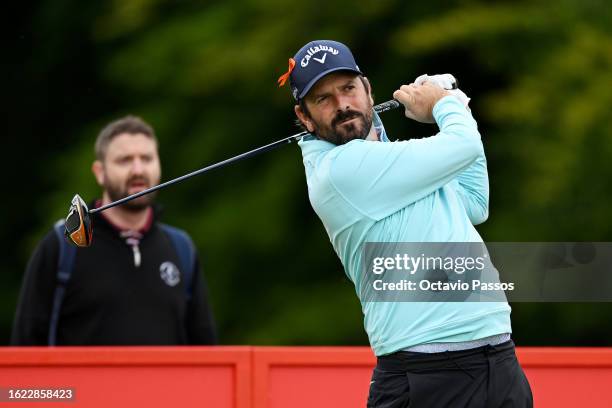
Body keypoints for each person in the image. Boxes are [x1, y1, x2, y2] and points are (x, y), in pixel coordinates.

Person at [279, 40, 532, 407]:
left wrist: (452, 102)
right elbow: (464, 147)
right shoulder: (339, 173)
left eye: (348, 89)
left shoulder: (392, 161)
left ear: (367, 89)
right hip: (426, 375)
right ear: (304, 117)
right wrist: (444, 104)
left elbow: (474, 203)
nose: (342, 105)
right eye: (323, 99)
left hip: (498, 360)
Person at [12, 115, 217, 346]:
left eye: (147, 159)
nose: (138, 169)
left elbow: (206, 353)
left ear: (159, 165)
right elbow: (24, 354)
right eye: (125, 160)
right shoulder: (62, 246)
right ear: (100, 172)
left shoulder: (181, 248)